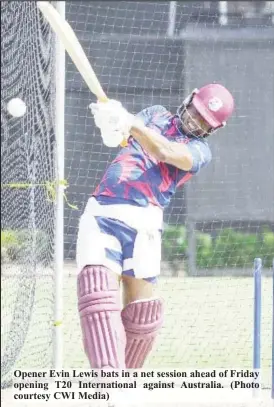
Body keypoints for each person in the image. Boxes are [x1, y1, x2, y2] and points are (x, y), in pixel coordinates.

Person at [76, 83, 234, 370]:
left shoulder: (199, 151)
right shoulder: (155, 114)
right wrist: (110, 121)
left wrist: (130, 121)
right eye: (195, 112)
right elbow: (120, 139)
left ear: (213, 130)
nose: (194, 121)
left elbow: (163, 151)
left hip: (145, 221)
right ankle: (108, 384)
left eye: (203, 122)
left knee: (142, 314)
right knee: (97, 291)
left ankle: (124, 385)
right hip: (104, 209)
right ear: (189, 100)